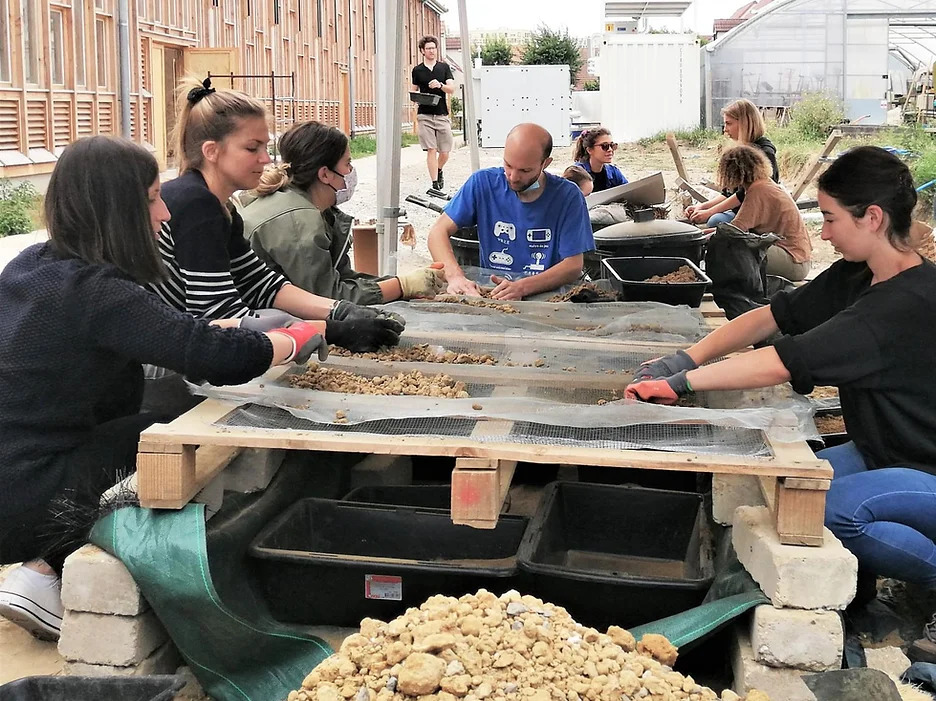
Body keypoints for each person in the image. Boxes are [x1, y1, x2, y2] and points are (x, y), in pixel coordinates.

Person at [0, 136, 329, 641]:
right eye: (153, 199)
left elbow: (170, 332)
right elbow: (211, 358)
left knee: (159, 410)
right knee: (169, 432)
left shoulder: (32, 266)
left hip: (14, 470)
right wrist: (292, 339)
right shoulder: (98, 292)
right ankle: (44, 570)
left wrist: (242, 329)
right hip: (26, 496)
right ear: (118, 209)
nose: (164, 214)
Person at [625, 148, 936, 626]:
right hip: (884, 450)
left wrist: (680, 384)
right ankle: (861, 592)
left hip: (923, 464)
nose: (824, 234)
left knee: (829, 513)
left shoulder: (903, 304)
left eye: (830, 219)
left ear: (872, 218)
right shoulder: (860, 274)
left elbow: (781, 362)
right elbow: (770, 317)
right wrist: (687, 356)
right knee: (780, 492)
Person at [148, 77, 403, 352]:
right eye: (252, 148)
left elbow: (262, 284)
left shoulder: (222, 208)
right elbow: (220, 315)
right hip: (153, 363)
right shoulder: (196, 204)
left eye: (265, 147)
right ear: (212, 151)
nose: (266, 159)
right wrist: (330, 330)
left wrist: (340, 310)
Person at [240, 120, 446, 304]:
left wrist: (403, 283)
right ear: (325, 174)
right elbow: (326, 299)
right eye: (347, 164)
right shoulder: (298, 222)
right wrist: (402, 286)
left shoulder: (313, 211)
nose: (350, 172)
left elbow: (341, 279)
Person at [427, 123, 594, 301]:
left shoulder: (568, 197)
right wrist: (455, 276)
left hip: (547, 298)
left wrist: (522, 287)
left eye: (525, 170)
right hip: (492, 292)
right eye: (508, 165)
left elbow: (573, 265)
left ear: (545, 163)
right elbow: (437, 232)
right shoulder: (483, 183)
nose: (513, 177)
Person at [717, 145, 811, 281]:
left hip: (792, 261)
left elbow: (734, 231)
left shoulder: (759, 191)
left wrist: (704, 236)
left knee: (734, 249)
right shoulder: (766, 184)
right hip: (798, 258)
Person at [687, 98, 780, 227]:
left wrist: (709, 212)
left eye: (729, 124)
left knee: (716, 221)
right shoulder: (741, 150)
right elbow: (729, 193)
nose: (725, 129)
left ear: (744, 123)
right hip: (742, 210)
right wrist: (702, 207)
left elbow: (746, 195)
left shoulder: (764, 153)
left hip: (759, 214)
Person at [411, 35, 456, 192]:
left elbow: (451, 89)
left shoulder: (444, 68)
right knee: (431, 149)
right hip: (424, 115)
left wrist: (440, 85)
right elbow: (413, 91)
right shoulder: (417, 70)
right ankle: (435, 184)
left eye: (433, 48)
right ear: (422, 51)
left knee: (445, 151)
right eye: (428, 48)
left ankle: (438, 169)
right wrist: (416, 99)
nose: (431, 51)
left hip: (441, 114)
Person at [572, 128, 628, 192]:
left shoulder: (613, 172)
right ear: (589, 150)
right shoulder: (576, 175)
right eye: (604, 146)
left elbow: (628, 192)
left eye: (612, 145)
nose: (610, 150)